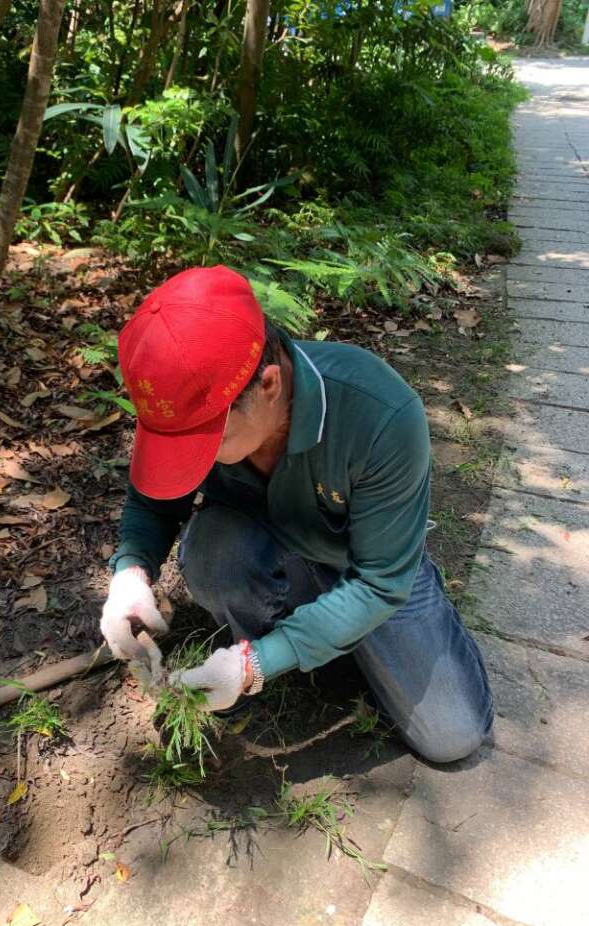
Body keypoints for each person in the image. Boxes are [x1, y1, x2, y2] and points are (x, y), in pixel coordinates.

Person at [99, 265, 492, 764]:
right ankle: (309, 642)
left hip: (369, 565)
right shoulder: (188, 397)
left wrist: (253, 664)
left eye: (203, 443)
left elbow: (379, 581)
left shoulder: (380, 414)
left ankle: (312, 644)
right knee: (212, 552)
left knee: (452, 737)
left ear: (268, 385)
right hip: (266, 540)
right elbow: (154, 498)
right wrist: (130, 574)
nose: (190, 460)